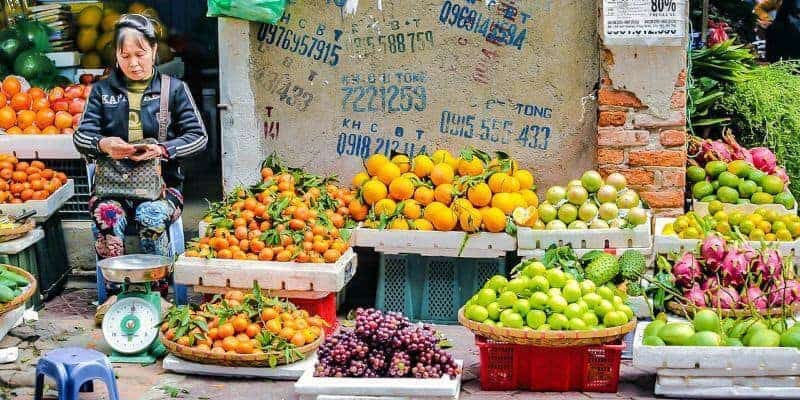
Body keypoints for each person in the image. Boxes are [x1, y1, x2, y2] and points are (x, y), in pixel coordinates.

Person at [73, 14, 207, 269]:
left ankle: (157, 289)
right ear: (116, 56)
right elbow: (81, 136)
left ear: (154, 49)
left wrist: (162, 149)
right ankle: (115, 292)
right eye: (125, 56)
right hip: (111, 188)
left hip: (162, 188)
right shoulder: (101, 92)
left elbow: (198, 138)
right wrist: (104, 144)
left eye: (141, 53)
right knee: (107, 216)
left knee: (150, 215)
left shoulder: (174, 89)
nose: (133, 63)